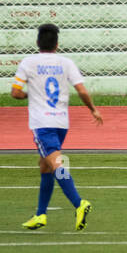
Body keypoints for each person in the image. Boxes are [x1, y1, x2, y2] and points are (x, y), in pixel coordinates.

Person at [11, 23, 103, 230]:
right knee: (45, 166)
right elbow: (81, 90)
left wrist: (30, 95)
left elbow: (15, 92)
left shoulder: (28, 63)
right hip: (61, 122)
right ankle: (40, 215)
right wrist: (93, 109)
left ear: (37, 43)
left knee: (57, 165)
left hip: (42, 124)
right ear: (57, 44)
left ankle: (79, 203)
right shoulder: (66, 63)